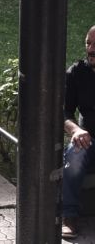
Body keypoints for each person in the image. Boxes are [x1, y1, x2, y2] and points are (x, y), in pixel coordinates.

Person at [61, 25, 95, 239]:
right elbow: (63, 111)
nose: (91, 49)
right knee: (75, 154)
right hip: (88, 139)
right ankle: (69, 215)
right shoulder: (76, 72)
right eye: (88, 43)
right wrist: (75, 129)